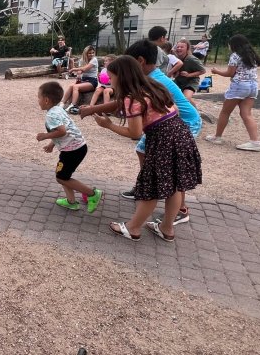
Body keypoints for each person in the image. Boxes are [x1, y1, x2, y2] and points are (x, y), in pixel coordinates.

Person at [80, 40, 201, 224]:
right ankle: (150, 185)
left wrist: (108, 124)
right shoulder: (148, 80)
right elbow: (153, 105)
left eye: (111, 78)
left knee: (174, 173)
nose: (110, 82)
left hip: (185, 122)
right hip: (172, 124)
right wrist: (92, 109)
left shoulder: (151, 81)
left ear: (140, 61)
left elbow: (133, 125)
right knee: (143, 151)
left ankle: (176, 208)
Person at [35, 81, 103, 212]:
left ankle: (92, 194)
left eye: (39, 97)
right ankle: (71, 201)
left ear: (46, 100)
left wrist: (44, 136)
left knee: (61, 177)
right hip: (77, 147)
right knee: (64, 176)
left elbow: (62, 131)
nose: (38, 100)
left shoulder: (51, 115)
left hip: (72, 151)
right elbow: (64, 130)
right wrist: (51, 144)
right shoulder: (59, 109)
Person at [205, 34, 260, 152]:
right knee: (246, 114)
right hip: (253, 86)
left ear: (234, 45)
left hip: (239, 86)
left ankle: (217, 137)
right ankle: (255, 141)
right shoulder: (252, 55)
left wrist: (216, 71)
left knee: (225, 112)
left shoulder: (235, 55)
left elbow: (230, 73)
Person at [171, 39, 207, 110]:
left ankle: (196, 113)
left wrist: (189, 75)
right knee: (174, 97)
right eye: (178, 47)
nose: (179, 48)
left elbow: (203, 70)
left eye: (182, 47)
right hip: (179, 81)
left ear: (187, 49)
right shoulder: (175, 58)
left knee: (185, 98)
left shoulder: (191, 59)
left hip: (191, 82)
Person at [60, 46, 99, 113]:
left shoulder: (94, 60)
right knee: (71, 86)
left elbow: (84, 69)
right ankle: (62, 104)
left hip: (92, 81)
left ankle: (73, 105)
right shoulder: (82, 60)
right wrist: (78, 75)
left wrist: (73, 69)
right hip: (84, 80)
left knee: (75, 87)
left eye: (93, 53)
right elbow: (80, 70)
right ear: (85, 54)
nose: (92, 54)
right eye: (89, 53)